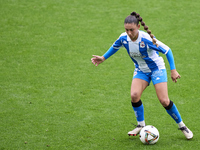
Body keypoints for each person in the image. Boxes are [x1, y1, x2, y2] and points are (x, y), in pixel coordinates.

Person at [91, 11, 193, 140]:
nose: (129, 33)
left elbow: (167, 50)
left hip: (157, 69)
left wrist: (173, 70)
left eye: (131, 30)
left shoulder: (147, 39)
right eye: (126, 30)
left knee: (164, 101)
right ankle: (140, 125)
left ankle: (182, 126)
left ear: (138, 27)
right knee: (134, 95)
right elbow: (115, 47)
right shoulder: (123, 38)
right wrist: (103, 58)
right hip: (140, 70)